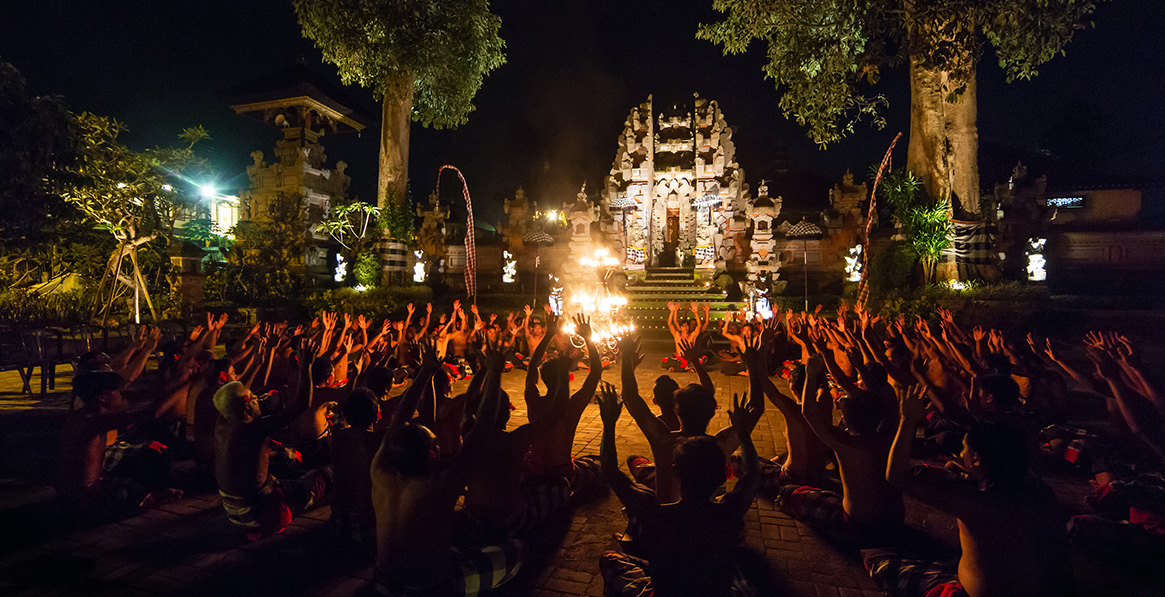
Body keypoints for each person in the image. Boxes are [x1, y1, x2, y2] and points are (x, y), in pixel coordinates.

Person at [864, 387, 1074, 597]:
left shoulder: (978, 503)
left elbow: (896, 476)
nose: (960, 453)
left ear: (977, 459)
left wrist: (906, 420)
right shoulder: (1041, 492)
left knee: (878, 559)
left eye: (965, 449)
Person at [372, 339, 524, 596]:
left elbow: (399, 420)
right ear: (432, 454)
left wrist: (425, 373)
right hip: (428, 587)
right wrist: (496, 372)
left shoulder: (380, 471)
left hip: (383, 581)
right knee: (518, 551)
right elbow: (483, 427)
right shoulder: (441, 484)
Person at [598, 385, 763, 596]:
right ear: (723, 476)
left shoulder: (656, 514)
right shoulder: (730, 511)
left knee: (611, 559)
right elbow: (752, 475)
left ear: (675, 472)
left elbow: (611, 471)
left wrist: (609, 424)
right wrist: (744, 435)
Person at [214, 340, 331, 540]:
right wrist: (306, 367)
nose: (257, 398)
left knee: (286, 460)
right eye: (253, 398)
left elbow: (236, 395)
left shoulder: (224, 421)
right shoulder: (255, 428)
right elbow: (302, 404)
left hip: (232, 511)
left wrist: (258, 365)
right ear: (247, 407)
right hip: (258, 513)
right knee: (324, 475)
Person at [777, 353, 904, 536]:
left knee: (790, 494)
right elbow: (878, 401)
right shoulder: (887, 436)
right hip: (895, 521)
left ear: (846, 419)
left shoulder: (846, 444)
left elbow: (809, 412)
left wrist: (812, 375)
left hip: (860, 526)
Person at [620, 334, 744, 504]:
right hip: (707, 518)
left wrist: (627, 361)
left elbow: (631, 398)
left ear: (676, 409)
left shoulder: (663, 440)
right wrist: (695, 360)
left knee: (636, 464)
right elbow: (755, 409)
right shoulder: (720, 444)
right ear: (711, 412)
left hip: (668, 515)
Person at [57, 368, 182, 517]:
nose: (122, 395)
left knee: (146, 457)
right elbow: (152, 413)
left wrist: (178, 381)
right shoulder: (94, 420)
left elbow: (136, 399)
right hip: (82, 495)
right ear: (103, 396)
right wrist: (185, 384)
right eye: (118, 391)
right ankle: (153, 498)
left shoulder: (85, 414)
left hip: (69, 491)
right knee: (136, 493)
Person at [328, 387, 385, 542]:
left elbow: (340, 417)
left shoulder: (337, 434)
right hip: (365, 521)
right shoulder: (377, 441)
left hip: (338, 517)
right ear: (376, 417)